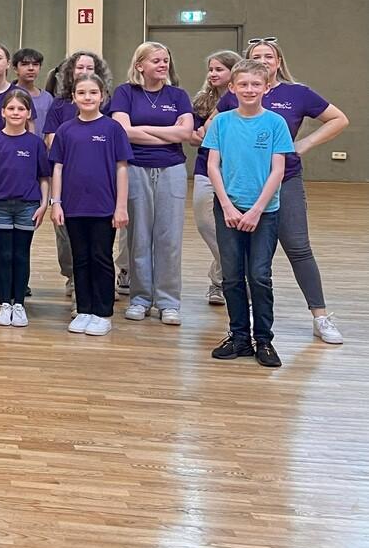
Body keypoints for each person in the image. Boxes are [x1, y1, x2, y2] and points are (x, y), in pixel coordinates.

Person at [214, 37, 349, 345]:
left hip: (284, 180)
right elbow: (213, 128)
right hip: (242, 186)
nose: (263, 61)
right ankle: (247, 317)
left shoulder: (297, 93)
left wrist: (305, 143)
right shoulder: (239, 93)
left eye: (268, 56)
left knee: (298, 247)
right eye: (256, 56)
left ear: (278, 62)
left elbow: (339, 119)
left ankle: (320, 315)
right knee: (247, 258)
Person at [204, 58, 295, 368]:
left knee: (259, 275)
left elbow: (278, 170)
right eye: (243, 84)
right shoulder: (222, 122)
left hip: (264, 212)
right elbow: (212, 165)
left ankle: (264, 339)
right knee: (232, 276)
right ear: (232, 87)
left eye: (256, 84)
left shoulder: (275, 123)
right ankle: (239, 337)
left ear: (266, 87)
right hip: (228, 209)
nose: (249, 89)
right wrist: (227, 205)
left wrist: (257, 209)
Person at [111, 42, 194, 326]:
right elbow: (123, 131)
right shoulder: (125, 93)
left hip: (172, 169)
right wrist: (167, 133)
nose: (163, 65)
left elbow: (186, 133)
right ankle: (140, 298)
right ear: (140, 65)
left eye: (165, 60)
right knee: (139, 236)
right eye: (156, 60)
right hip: (136, 169)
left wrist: (143, 130)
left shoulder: (178, 95)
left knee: (169, 237)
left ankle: (168, 301)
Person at [51, 75, 131, 338]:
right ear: (73, 97)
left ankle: (102, 312)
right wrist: (56, 203)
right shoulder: (65, 130)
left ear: (102, 96)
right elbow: (58, 168)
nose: (87, 97)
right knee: (80, 258)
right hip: (73, 207)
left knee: (101, 257)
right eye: (82, 92)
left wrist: (121, 207)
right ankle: (84, 309)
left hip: (104, 207)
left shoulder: (112, 129)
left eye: (93, 92)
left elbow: (121, 168)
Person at [42, 51, 118, 303]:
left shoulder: (108, 114)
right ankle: (77, 287)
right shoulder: (60, 110)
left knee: (100, 250)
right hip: (69, 189)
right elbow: (54, 148)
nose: (84, 71)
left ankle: (100, 298)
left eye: (90, 67)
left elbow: (117, 157)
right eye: (79, 67)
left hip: (101, 192)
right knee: (72, 246)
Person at [0, 90, 51, 328]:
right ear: (3, 112)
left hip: (27, 206)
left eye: (21, 109)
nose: (16, 112)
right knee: (4, 255)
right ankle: (5, 303)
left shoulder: (36, 143)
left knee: (21, 255)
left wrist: (44, 204)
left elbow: (44, 177)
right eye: (11, 108)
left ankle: (19, 303)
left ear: (29, 113)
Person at [189, 51, 242, 309]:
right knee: (205, 223)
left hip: (237, 171)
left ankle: (220, 281)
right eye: (210, 69)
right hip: (205, 167)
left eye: (219, 69)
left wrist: (209, 134)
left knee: (234, 225)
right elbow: (194, 136)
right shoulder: (202, 102)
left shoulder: (244, 99)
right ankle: (234, 270)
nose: (213, 74)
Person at [13, 48, 53, 136]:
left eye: (35, 64)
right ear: (15, 69)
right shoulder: (8, 95)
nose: (31, 68)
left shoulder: (47, 98)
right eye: (25, 64)